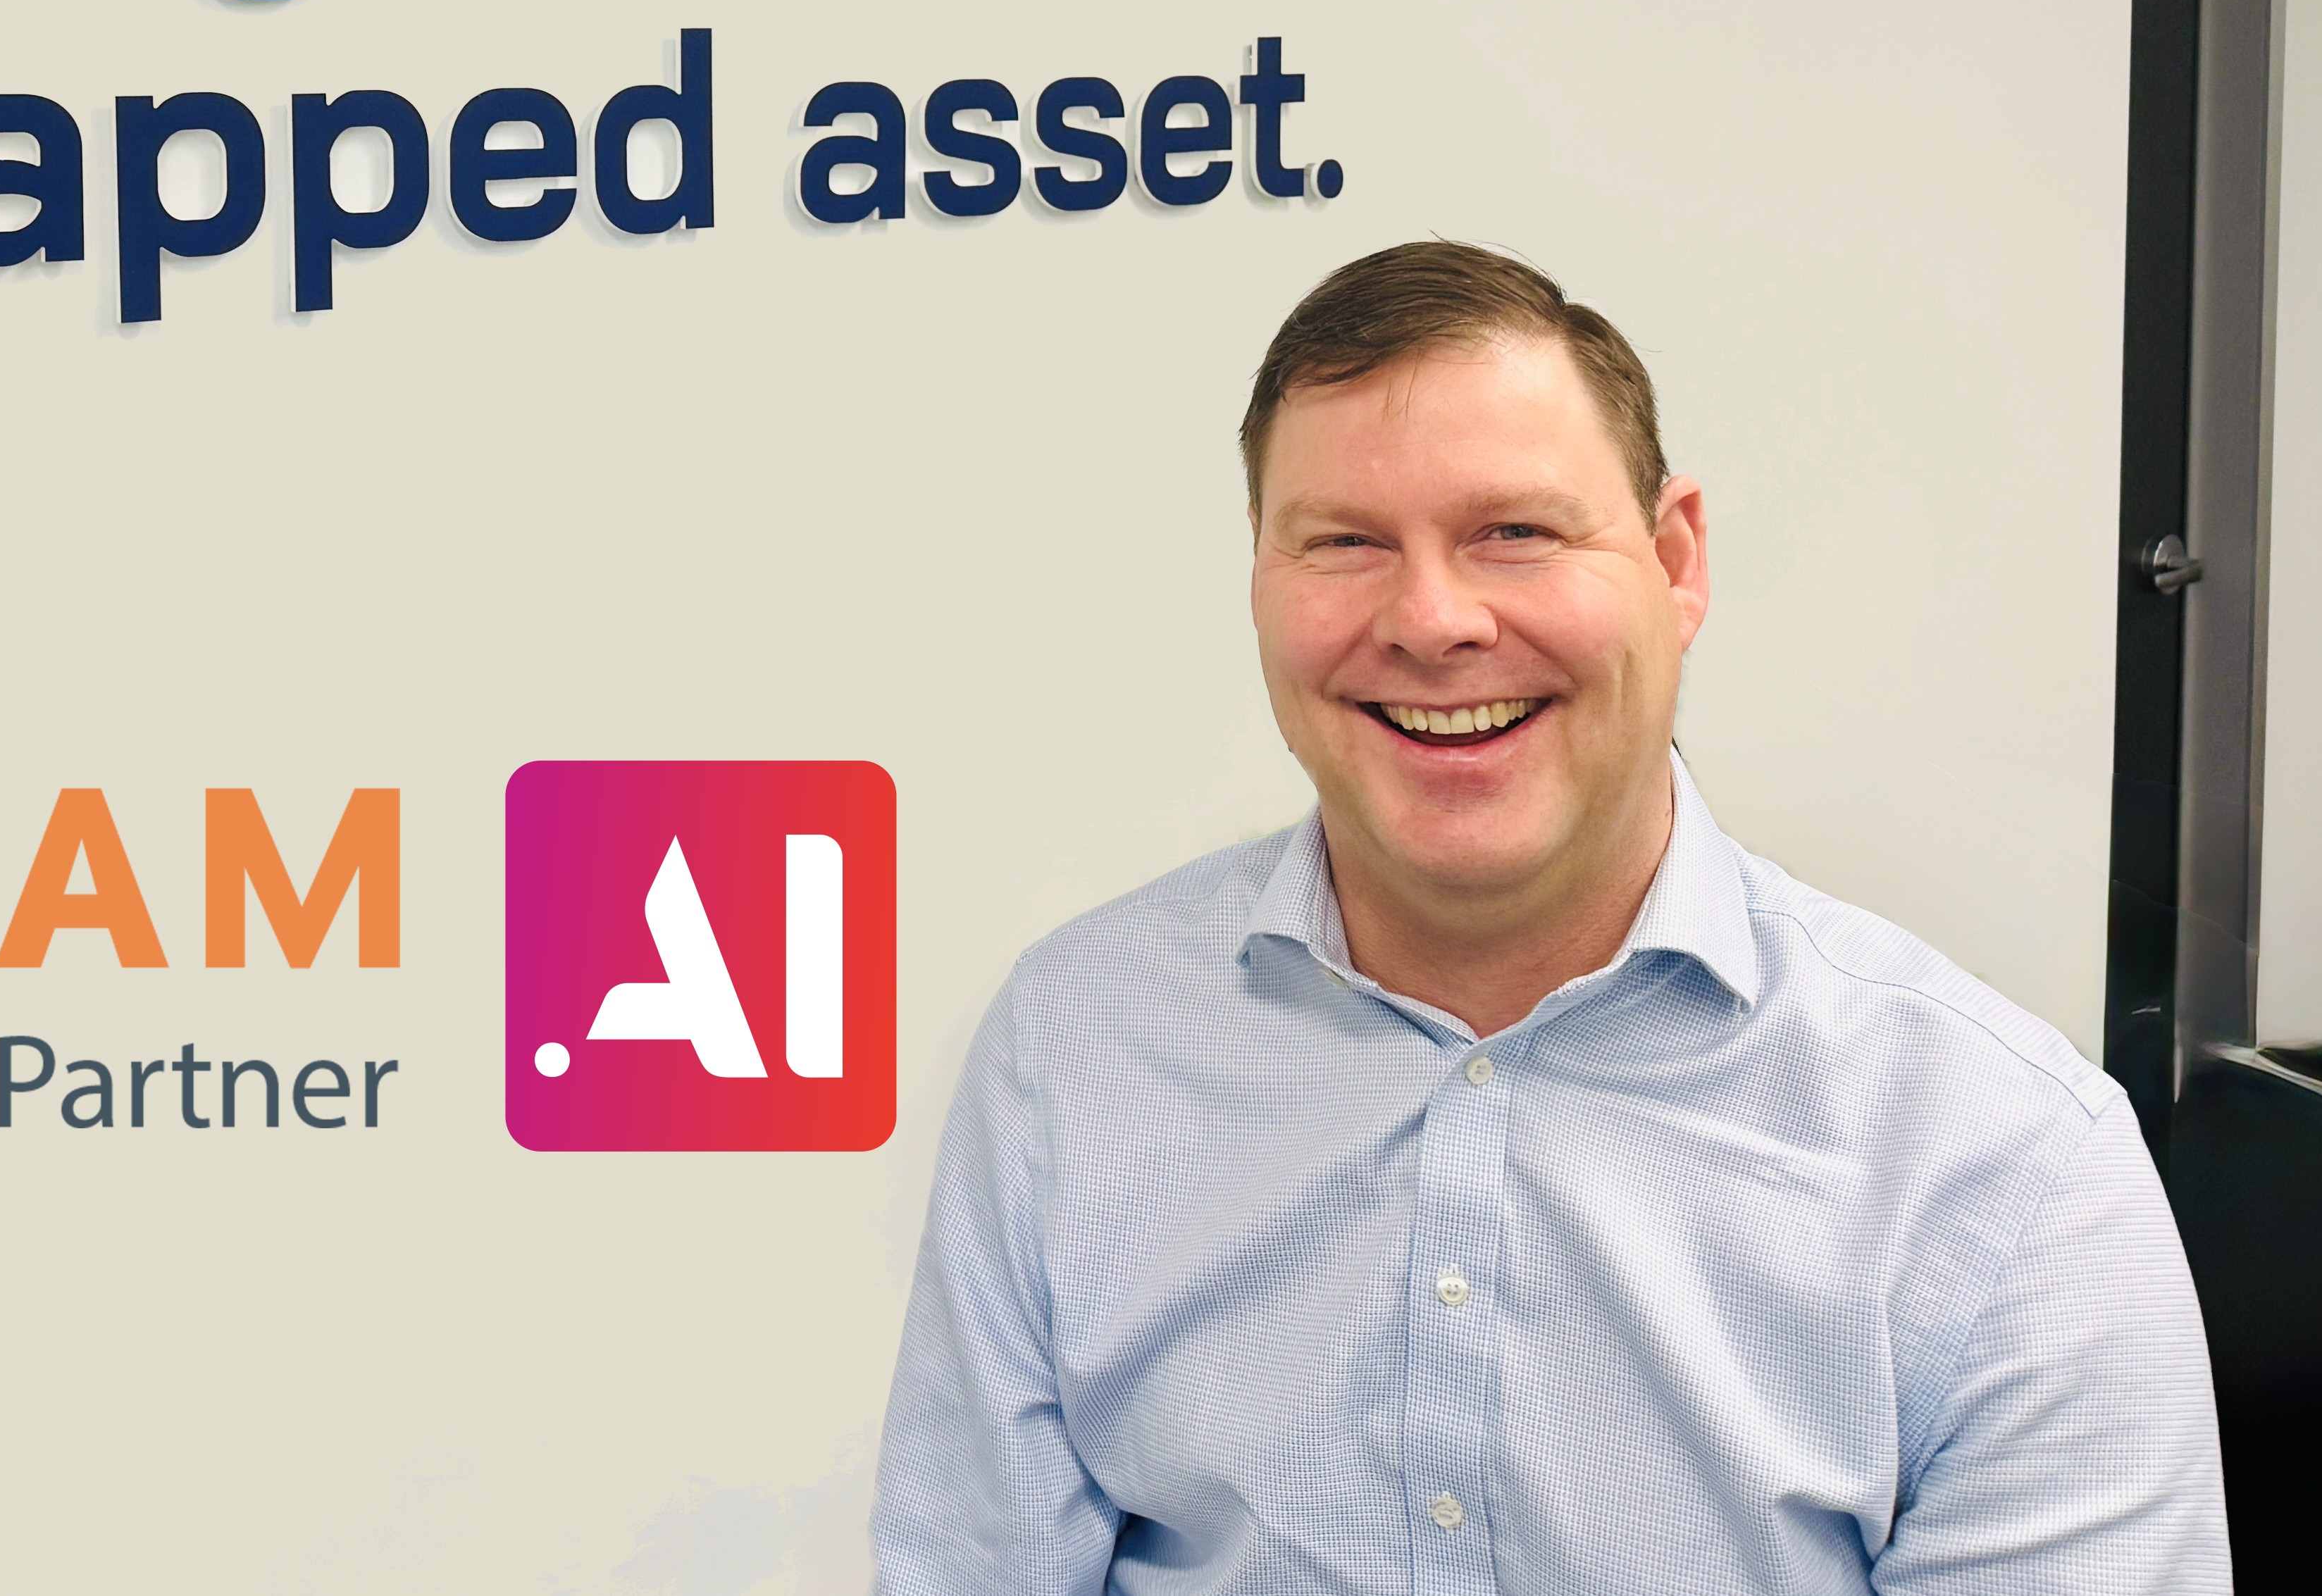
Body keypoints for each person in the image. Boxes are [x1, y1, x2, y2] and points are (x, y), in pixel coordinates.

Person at [872, 240, 2226, 1592]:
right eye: (1344, 542)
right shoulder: (1076, 1046)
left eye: (1514, 533)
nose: (1432, 620)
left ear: (1676, 560)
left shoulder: (2005, 1165)